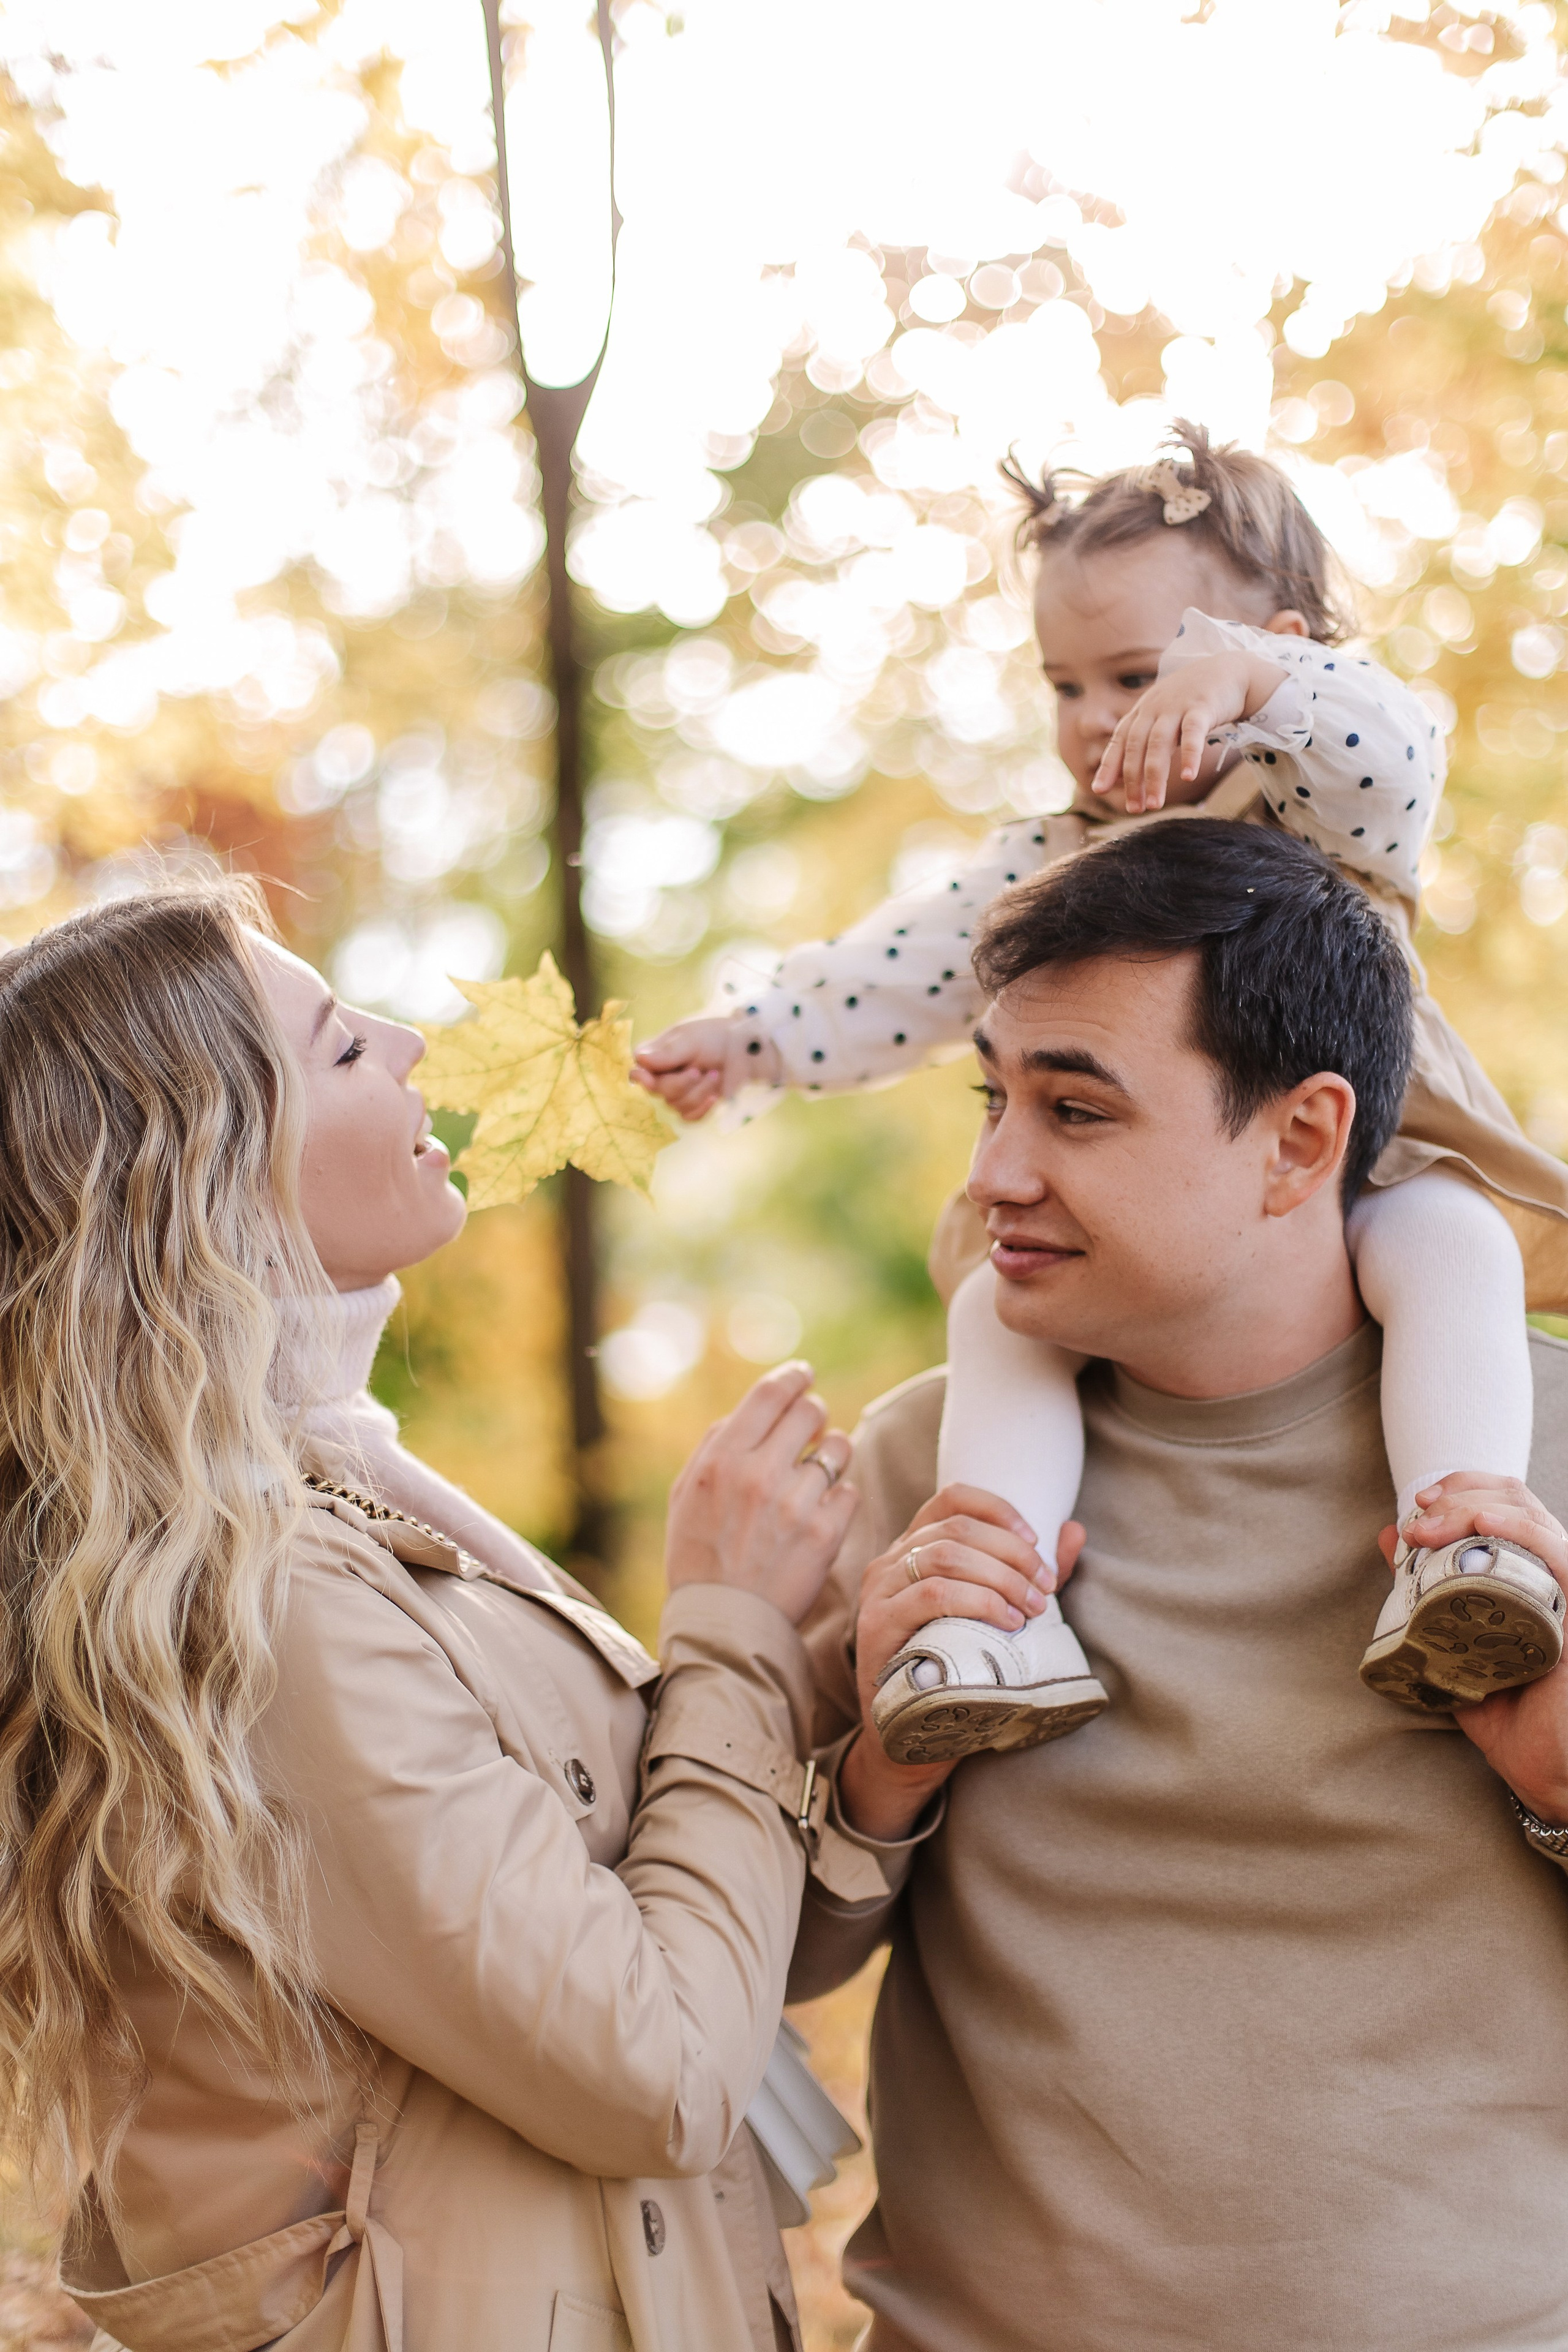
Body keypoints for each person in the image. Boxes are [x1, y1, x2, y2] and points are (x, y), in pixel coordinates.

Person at [0, 881, 882, 2352]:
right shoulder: (266, 1601)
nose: (411, 1045)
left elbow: (692, 1959)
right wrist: (724, 1630)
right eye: (343, 1048)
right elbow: (658, 2071)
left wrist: (860, 1750)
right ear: (207, 1171)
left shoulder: (366, 1511)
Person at [633, 422, 1568, 1756]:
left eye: (1133, 675)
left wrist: (1255, 682)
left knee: (1452, 1247)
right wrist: (758, 1036)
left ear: (1277, 644)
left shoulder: (1313, 790)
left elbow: (1392, 742)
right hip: (1165, 1218)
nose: (1090, 723)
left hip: (1384, 1162)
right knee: (998, 1318)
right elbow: (902, 962)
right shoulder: (1056, 864)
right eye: (1062, 686)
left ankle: (1461, 1546)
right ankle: (994, 1609)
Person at [788, 818, 1568, 2352]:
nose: (994, 1171)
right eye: (992, 1098)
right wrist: (877, 1760)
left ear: (1297, 1139)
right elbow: (759, 1980)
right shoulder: (919, 1475)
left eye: (1073, 1111)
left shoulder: (1544, 1461)